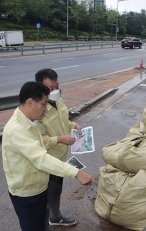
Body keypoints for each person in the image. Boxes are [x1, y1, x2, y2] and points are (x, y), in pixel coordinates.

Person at [1, 81, 96, 231]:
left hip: (39, 187)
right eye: (44, 104)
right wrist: (76, 172)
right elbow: (41, 158)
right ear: (30, 102)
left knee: (42, 223)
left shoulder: (30, 122)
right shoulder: (16, 131)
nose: (46, 109)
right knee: (33, 226)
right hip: (27, 194)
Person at [34, 68, 81, 226]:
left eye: (57, 86)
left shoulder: (58, 100)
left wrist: (74, 125)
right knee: (47, 195)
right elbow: (38, 140)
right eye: (50, 89)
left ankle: (55, 217)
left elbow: (64, 121)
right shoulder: (38, 109)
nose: (55, 91)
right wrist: (59, 139)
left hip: (60, 158)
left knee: (56, 191)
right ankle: (46, 222)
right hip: (47, 161)